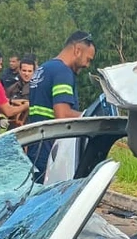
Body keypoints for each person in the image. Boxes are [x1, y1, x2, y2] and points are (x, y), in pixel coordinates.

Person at [24, 31, 96, 180]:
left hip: (35, 151)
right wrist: (92, 117)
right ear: (77, 50)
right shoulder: (63, 72)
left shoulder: (44, 69)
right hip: (51, 155)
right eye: (88, 60)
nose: (87, 65)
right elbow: (62, 115)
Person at [0, 47, 28, 126]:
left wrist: (11, 101)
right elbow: (8, 111)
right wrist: (26, 106)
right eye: (0, 63)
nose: (1, 67)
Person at [5, 54, 37, 127]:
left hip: (31, 128)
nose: (26, 74)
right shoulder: (11, 89)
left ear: (34, 72)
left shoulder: (38, 90)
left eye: (29, 71)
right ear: (19, 70)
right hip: (13, 128)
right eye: (24, 70)